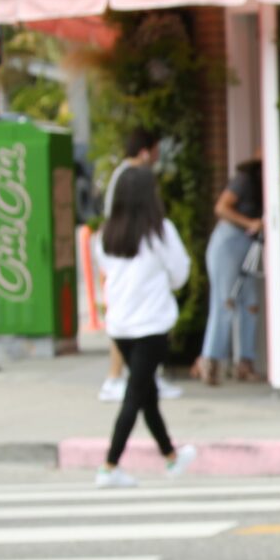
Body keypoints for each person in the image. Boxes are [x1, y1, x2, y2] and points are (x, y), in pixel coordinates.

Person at [93, 163, 198, 487]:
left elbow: (105, 271)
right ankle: (109, 467)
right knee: (135, 397)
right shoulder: (161, 232)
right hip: (151, 325)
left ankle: (171, 456)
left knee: (146, 394)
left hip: (120, 326)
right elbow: (180, 274)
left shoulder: (106, 234)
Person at [98, 128, 177, 404]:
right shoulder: (129, 178)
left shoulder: (125, 174)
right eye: (155, 150)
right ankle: (114, 378)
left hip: (128, 262)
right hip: (128, 260)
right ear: (145, 151)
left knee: (134, 323)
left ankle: (146, 379)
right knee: (130, 323)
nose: (157, 157)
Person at [196, 156, 264, 386]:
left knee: (251, 302)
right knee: (225, 301)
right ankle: (210, 361)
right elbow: (221, 208)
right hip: (228, 243)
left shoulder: (267, 182)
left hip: (249, 245)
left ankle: (245, 364)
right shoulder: (245, 179)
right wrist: (250, 223)